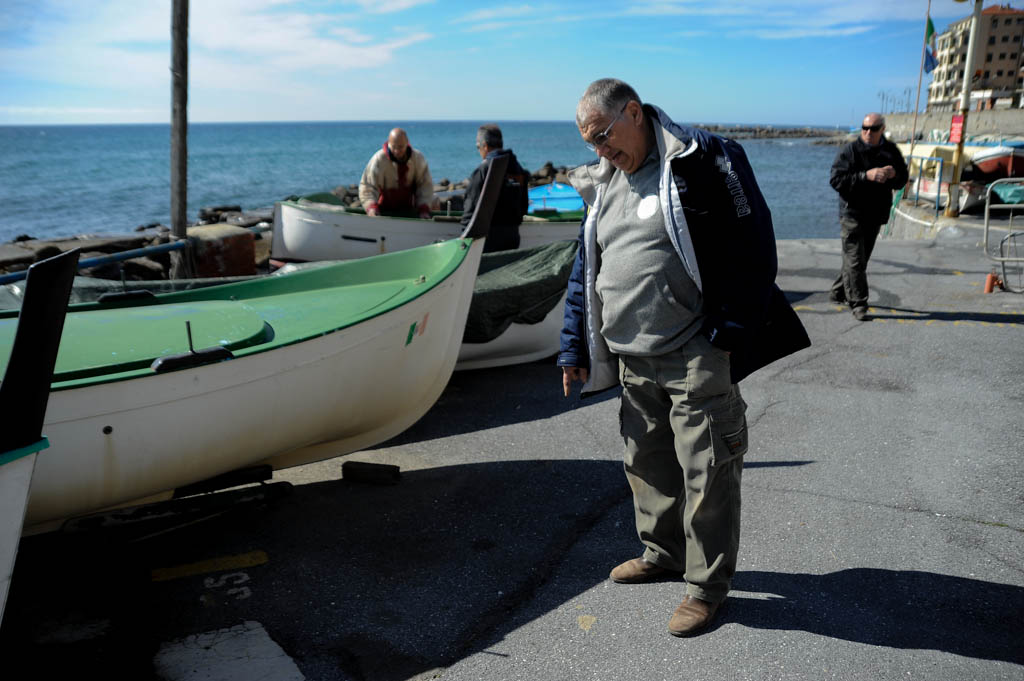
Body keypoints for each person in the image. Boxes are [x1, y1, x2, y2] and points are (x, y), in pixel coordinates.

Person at [558, 79, 809, 637]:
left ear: (633, 112)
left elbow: (753, 242)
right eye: (590, 142)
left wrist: (727, 332)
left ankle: (706, 588)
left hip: (694, 349)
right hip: (632, 355)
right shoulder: (605, 180)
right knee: (646, 465)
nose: (599, 150)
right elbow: (586, 267)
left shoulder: (704, 157)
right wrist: (574, 345)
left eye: (603, 135)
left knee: (708, 472)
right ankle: (663, 553)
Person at [828, 113, 908, 321]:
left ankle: (838, 291)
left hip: (875, 214)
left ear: (882, 129)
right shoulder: (850, 151)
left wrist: (893, 175)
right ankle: (859, 303)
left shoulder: (890, 151)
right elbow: (836, 180)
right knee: (855, 260)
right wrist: (866, 176)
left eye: (873, 129)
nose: (867, 132)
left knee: (859, 260)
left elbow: (902, 179)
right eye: (864, 128)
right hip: (852, 214)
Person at [460, 124, 530, 253]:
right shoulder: (518, 169)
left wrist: (464, 238)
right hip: (512, 237)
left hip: (487, 240)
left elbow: (471, 207)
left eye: (478, 147)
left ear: (485, 146)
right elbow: (524, 206)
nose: (479, 151)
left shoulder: (484, 170)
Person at [359, 128, 435, 219]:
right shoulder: (379, 159)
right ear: (388, 143)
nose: (397, 151)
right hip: (383, 210)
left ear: (407, 143)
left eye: (400, 147)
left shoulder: (417, 158)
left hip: (410, 210)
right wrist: (371, 207)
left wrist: (424, 208)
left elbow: (425, 186)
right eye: (393, 147)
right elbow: (368, 186)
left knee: (435, 200)